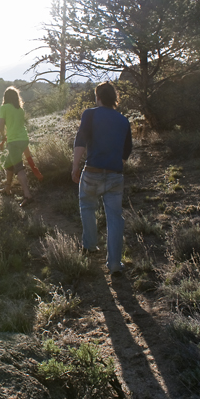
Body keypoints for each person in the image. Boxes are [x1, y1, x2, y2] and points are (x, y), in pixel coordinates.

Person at [71, 81, 132, 274]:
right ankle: (114, 264)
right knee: (115, 218)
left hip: (92, 172)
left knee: (87, 206)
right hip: (115, 175)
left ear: (98, 97)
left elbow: (81, 140)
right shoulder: (123, 120)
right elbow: (127, 149)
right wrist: (116, 164)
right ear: (114, 98)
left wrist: (75, 166)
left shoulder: (90, 114)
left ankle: (90, 246)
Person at [0, 86, 34, 207]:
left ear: (5, 97)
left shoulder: (4, 108)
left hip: (14, 141)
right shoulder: (20, 110)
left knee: (19, 168)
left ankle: (27, 195)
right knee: (9, 164)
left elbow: (1, 127)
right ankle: (7, 188)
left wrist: (3, 137)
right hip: (24, 139)